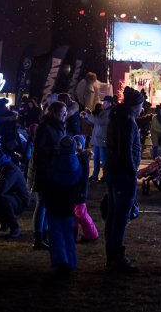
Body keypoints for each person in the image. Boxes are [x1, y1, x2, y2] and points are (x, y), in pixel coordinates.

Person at [104, 86, 143, 272]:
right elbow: (126, 150)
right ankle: (117, 257)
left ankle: (111, 256)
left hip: (113, 170)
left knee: (113, 215)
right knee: (120, 217)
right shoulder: (128, 121)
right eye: (142, 105)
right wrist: (132, 170)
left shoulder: (116, 118)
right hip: (123, 173)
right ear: (135, 106)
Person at [44, 136, 86, 275]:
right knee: (68, 233)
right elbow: (80, 181)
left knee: (55, 232)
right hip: (68, 203)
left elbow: (48, 179)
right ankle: (71, 261)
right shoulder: (76, 165)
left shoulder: (53, 164)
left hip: (54, 202)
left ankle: (59, 261)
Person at [30, 100, 67, 250]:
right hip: (45, 170)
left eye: (65, 113)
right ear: (53, 112)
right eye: (61, 113)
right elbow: (39, 150)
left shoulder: (60, 126)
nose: (64, 116)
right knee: (42, 204)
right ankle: (38, 237)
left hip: (54, 169)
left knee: (48, 204)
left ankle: (44, 234)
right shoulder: (45, 127)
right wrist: (54, 152)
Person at [82, 95, 113, 181]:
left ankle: (105, 175)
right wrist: (86, 118)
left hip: (102, 140)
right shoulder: (104, 111)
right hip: (98, 139)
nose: (103, 104)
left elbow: (99, 121)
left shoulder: (110, 113)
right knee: (96, 159)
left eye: (105, 102)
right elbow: (95, 122)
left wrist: (89, 116)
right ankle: (95, 175)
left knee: (103, 160)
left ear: (110, 103)